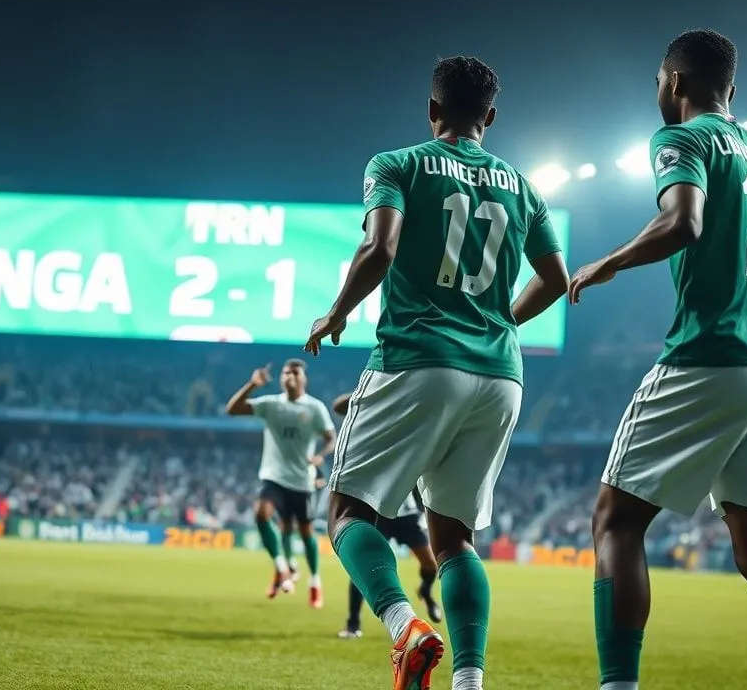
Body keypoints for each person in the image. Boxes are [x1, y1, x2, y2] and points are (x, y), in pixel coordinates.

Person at [567, 29, 747, 690]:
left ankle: (618, 685)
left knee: (616, 519)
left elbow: (683, 222)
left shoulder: (680, 139)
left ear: (676, 82)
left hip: (715, 356)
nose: (660, 91)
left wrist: (609, 260)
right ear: (734, 91)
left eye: (660, 80)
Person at [305, 56, 569, 690]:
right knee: (455, 539)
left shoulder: (396, 164)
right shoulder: (523, 186)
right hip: (500, 375)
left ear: (431, 110)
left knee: (346, 512)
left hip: (418, 358)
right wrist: (498, 319)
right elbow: (556, 280)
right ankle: (469, 682)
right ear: (491, 117)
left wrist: (336, 313)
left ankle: (404, 628)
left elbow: (380, 247)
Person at [225, 359, 335, 607]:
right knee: (262, 514)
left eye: (295, 373)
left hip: (301, 480)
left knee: (301, 531)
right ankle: (282, 568)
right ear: (280, 378)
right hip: (273, 476)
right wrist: (252, 385)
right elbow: (232, 409)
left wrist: (321, 455)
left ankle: (315, 581)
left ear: (303, 379)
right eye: (286, 373)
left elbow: (332, 438)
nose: (290, 376)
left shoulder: (314, 408)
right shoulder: (271, 404)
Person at [335, 390, 442, 641]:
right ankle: (352, 624)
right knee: (365, 566)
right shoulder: (372, 421)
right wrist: (373, 392)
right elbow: (340, 406)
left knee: (429, 564)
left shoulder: (412, 431)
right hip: (377, 507)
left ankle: (425, 592)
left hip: (405, 512)